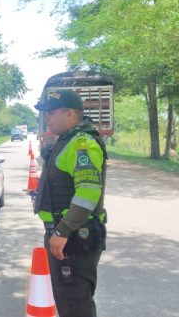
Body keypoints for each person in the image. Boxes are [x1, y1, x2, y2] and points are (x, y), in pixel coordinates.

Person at [33, 89, 108, 317]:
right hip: (67, 235)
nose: (47, 118)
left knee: (75, 304)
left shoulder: (81, 144)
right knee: (69, 302)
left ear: (70, 114)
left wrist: (63, 231)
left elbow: (88, 191)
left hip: (73, 237)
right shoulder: (68, 141)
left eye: (51, 113)